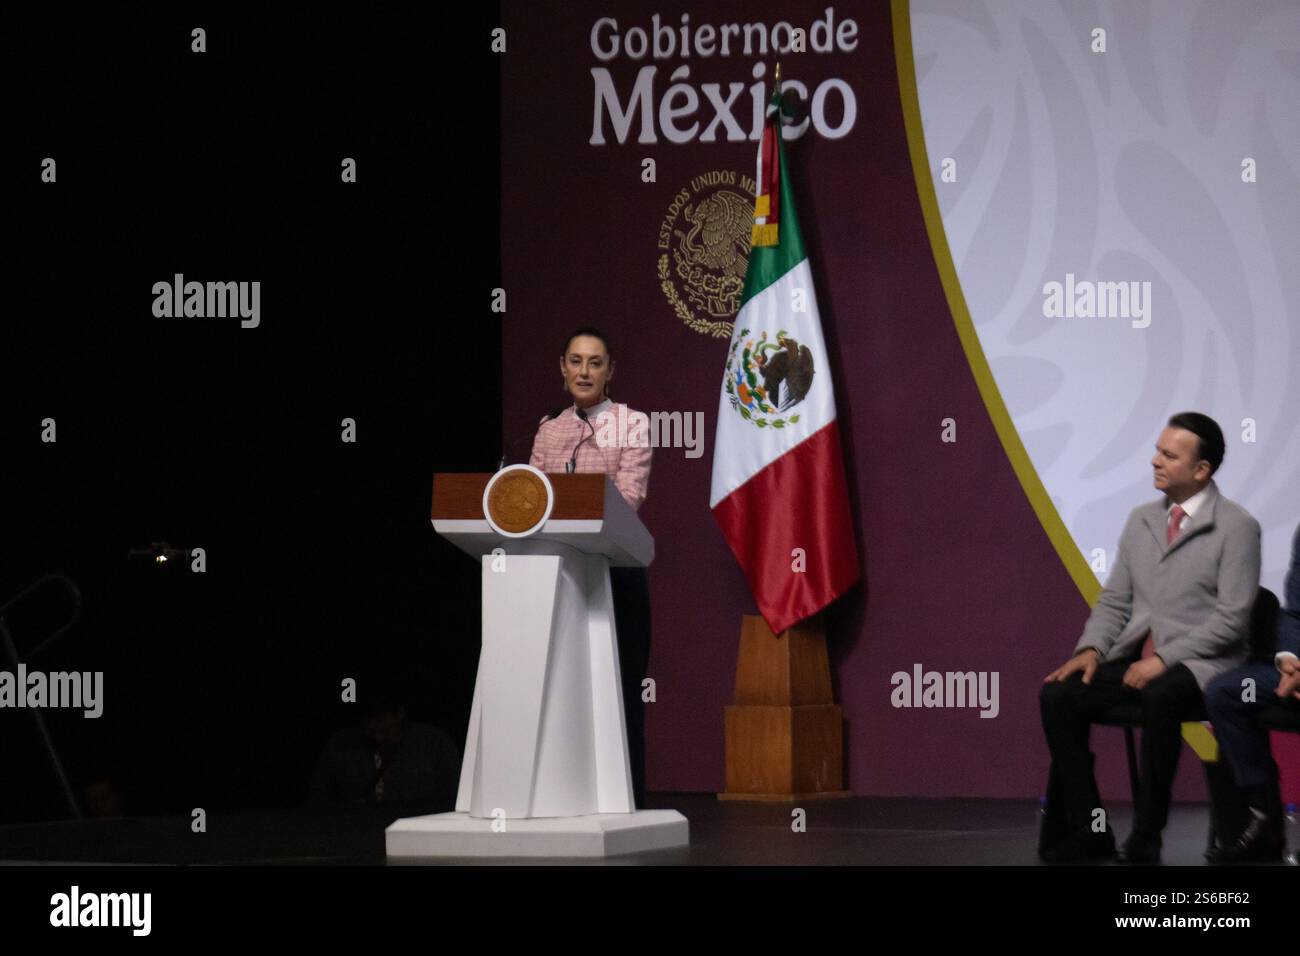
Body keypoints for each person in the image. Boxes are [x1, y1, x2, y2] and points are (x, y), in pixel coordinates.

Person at [1039, 412, 1260, 863]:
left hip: (1204, 664)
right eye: (1158, 450)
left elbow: (1232, 620)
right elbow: (1115, 602)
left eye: (1168, 454)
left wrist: (1166, 659)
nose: (1155, 461)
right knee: (1059, 695)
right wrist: (1091, 650)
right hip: (1139, 658)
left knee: (1161, 695)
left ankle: (1146, 835)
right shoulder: (1140, 520)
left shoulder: (1239, 527)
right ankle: (1090, 826)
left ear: (1202, 470)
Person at [528, 326, 653, 807]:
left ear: (610, 370)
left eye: (595, 362)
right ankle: (563, 801)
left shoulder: (632, 424)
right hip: (558, 578)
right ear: (563, 367)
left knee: (619, 698)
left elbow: (628, 499)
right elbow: (531, 503)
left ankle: (627, 806)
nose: (584, 371)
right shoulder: (547, 429)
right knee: (564, 695)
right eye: (576, 361)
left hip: (615, 577)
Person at [1202, 522, 1300, 862]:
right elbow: (1294, 613)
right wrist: (1291, 662)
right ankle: (1262, 818)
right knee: (1229, 693)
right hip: (1294, 672)